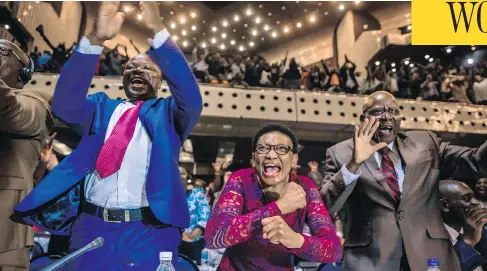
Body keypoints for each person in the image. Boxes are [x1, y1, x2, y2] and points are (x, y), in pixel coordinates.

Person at [13, 2, 202, 270]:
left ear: (161, 81)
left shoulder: (169, 114)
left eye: (147, 69)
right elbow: (65, 104)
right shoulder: (101, 108)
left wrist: (158, 31)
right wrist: (95, 39)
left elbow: (192, 99)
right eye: (130, 68)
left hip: (150, 231)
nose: (137, 71)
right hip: (90, 227)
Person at [320, 90, 487, 270]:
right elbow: (326, 208)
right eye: (377, 112)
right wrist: (354, 164)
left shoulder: (426, 143)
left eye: (393, 111)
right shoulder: (340, 153)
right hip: (371, 261)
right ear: (363, 119)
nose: (386, 117)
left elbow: (477, 162)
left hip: (429, 257)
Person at [205, 124, 342, 271]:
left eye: (282, 148)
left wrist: (296, 240)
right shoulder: (241, 180)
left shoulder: (305, 187)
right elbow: (213, 237)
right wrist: (279, 206)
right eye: (262, 149)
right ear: (254, 158)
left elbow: (334, 250)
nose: (271, 155)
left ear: (294, 159)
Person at [0, 39, 53, 270]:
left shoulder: (36, 102)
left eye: (2, 51)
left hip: (5, 238)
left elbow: (10, 111)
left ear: (23, 72)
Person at [439, 180, 487, 271]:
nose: (476, 202)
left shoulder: (479, 229)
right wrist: (467, 242)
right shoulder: (430, 241)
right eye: (466, 198)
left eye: (473, 197)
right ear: (444, 206)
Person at [179, 173, 210, 265]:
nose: (180, 175)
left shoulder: (197, 194)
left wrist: (193, 235)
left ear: (188, 178)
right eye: (177, 172)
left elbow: (205, 216)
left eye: (183, 173)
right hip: (173, 242)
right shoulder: (167, 196)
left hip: (195, 242)